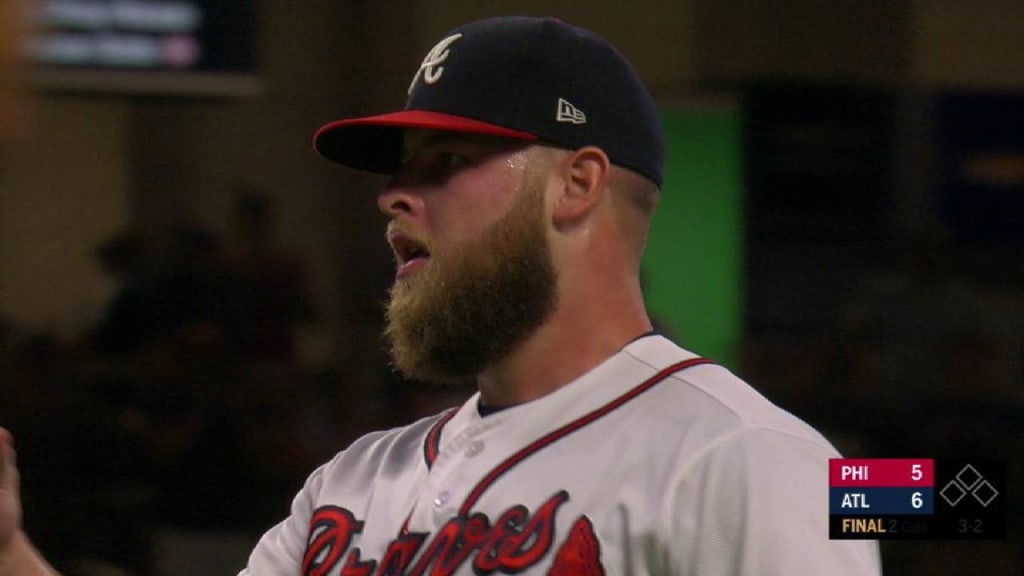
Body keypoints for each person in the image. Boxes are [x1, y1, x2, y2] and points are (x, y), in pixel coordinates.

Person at [1, 15, 881, 575]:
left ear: (576, 185)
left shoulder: (741, 460)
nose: (394, 195)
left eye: (446, 164)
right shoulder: (350, 483)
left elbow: (937, 497)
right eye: (399, 169)